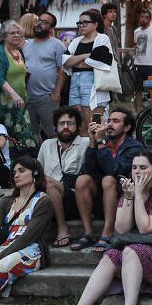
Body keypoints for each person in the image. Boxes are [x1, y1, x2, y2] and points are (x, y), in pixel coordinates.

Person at [55, 150, 152, 305]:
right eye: (134, 168)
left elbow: (146, 228)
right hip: (145, 245)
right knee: (111, 255)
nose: (137, 172)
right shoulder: (131, 189)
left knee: (130, 251)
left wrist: (139, 196)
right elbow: (121, 228)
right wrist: (129, 198)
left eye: (143, 167)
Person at [0, 156, 53, 305]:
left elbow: (28, 237)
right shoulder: (7, 201)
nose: (16, 175)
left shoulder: (43, 201)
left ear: (35, 174)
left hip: (29, 251)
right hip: (4, 247)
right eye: (14, 172)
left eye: (21, 171)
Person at [71, 105, 144, 251]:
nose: (109, 124)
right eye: (108, 120)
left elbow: (115, 171)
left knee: (108, 179)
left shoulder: (134, 147)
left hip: (124, 199)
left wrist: (100, 143)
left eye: (115, 121)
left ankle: (108, 232)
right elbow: (87, 171)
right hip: (102, 199)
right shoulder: (102, 143)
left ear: (127, 127)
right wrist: (92, 143)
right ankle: (88, 233)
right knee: (82, 180)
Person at [36, 106, 87, 248]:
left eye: (70, 123)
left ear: (78, 126)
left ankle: (62, 229)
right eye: (61, 123)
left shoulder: (86, 143)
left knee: (48, 182)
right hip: (46, 198)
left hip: (72, 197)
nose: (65, 127)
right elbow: (37, 172)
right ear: (55, 126)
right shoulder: (47, 145)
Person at [0, 20, 32, 153]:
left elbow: (23, 75)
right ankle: (10, 165)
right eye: (12, 33)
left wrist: (23, 95)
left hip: (20, 101)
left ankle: (24, 163)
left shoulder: (18, 51)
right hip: (4, 103)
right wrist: (15, 96)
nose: (17, 35)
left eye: (18, 33)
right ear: (4, 36)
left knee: (24, 133)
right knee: (7, 135)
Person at [61, 8, 115, 127]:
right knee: (79, 124)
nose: (81, 25)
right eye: (79, 22)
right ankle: (84, 145)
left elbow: (99, 61)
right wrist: (86, 56)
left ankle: (96, 145)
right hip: (75, 84)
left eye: (85, 22)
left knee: (95, 124)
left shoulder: (102, 39)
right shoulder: (76, 41)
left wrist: (77, 61)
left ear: (95, 24)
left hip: (94, 85)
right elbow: (65, 62)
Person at [24, 12, 65, 142]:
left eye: (44, 22)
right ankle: (35, 160)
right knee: (31, 133)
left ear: (52, 28)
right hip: (27, 97)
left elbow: (63, 70)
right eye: (39, 20)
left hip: (47, 97)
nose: (39, 24)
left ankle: (55, 160)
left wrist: (57, 92)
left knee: (52, 133)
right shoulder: (26, 44)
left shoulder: (57, 45)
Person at [131, 9, 152, 97]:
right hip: (138, 64)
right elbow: (135, 45)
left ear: (150, 19)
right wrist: (133, 53)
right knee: (137, 90)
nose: (143, 19)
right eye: (142, 17)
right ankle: (138, 110)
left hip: (151, 65)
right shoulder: (136, 31)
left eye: (146, 17)